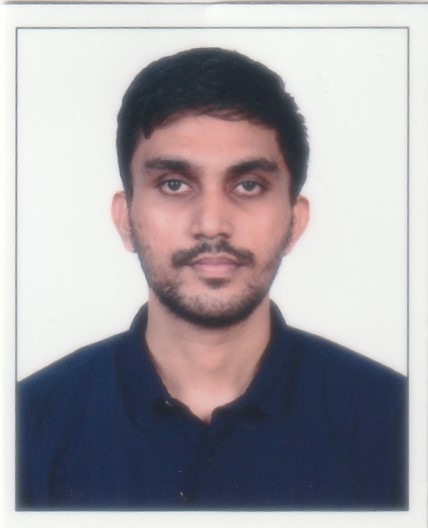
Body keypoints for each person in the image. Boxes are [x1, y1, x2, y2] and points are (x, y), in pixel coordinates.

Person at [17, 47, 407, 510]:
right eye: (174, 184)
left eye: (248, 185)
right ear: (125, 220)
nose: (211, 224)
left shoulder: (397, 423)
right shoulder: (25, 428)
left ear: (294, 223)